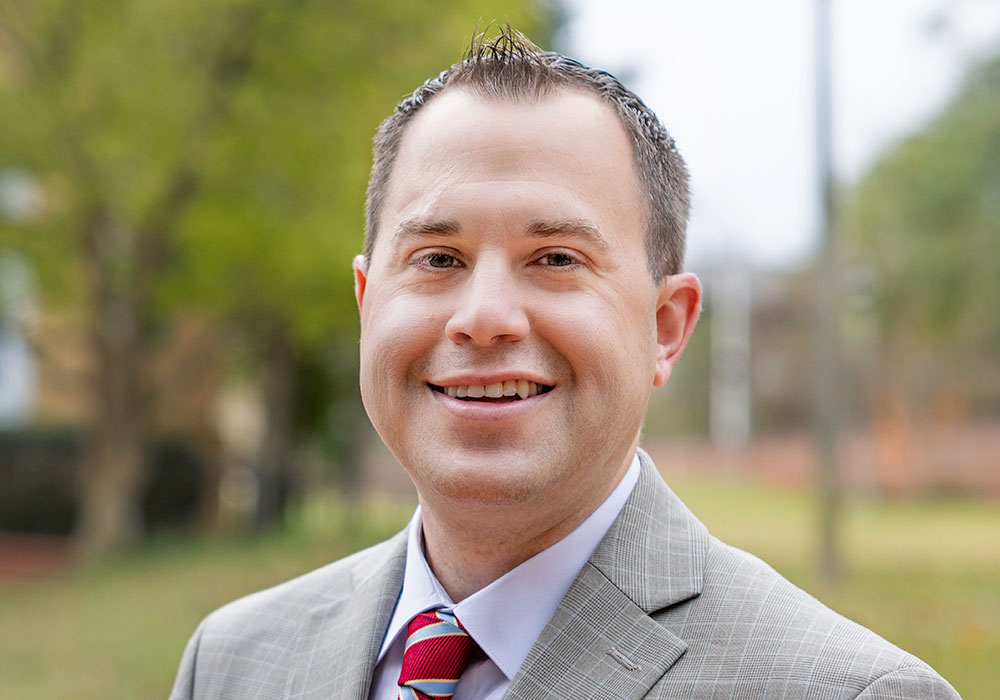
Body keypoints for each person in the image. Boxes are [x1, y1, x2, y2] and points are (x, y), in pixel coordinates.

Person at [169, 26, 959, 700]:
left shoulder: (848, 692)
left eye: (554, 258)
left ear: (666, 327)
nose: (482, 318)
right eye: (438, 258)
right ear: (368, 299)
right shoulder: (234, 663)